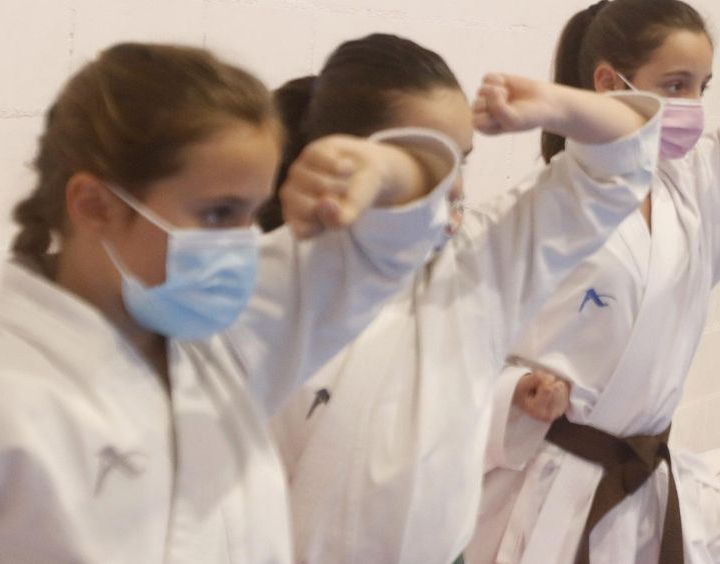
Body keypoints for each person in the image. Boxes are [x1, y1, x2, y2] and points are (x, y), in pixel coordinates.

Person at [0, 42, 464, 562]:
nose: (244, 241)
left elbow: (388, 247)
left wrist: (381, 167)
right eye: (218, 214)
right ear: (94, 205)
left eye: (253, 215)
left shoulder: (234, 345)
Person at [468, 0, 720, 564]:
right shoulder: (535, 212)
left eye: (703, 87)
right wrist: (513, 398)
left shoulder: (690, 187)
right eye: (676, 86)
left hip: (648, 479)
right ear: (609, 83)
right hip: (548, 491)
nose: (693, 106)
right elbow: (447, 356)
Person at [263, 33, 664, 564]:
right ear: (344, 151)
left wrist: (555, 105)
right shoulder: (274, 279)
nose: (449, 185)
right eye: (424, 160)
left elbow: (620, 166)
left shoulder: (480, 264)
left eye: (462, 160)